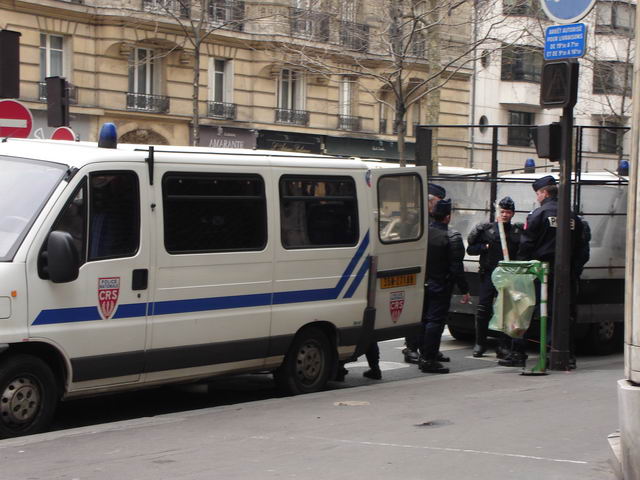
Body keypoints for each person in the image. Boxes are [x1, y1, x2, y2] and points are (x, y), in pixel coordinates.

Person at [503, 175, 587, 368]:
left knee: (524, 310)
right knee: (560, 313)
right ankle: (562, 353)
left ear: (544, 193)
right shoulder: (573, 216)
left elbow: (527, 244)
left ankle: (518, 352)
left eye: (538, 194)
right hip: (564, 274)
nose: (537, 198)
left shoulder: (538, 214)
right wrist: (573, 270)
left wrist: (521, 271)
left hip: (538, 271)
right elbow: (582, 248)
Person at [466, 196, 523, 358]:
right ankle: (480, 343)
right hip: (489, 274)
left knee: (506, 310)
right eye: (502, 211)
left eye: (508, 212)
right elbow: (471, 250)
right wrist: (485, 247)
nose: (505, 215)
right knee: (483, 308)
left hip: (508, 276)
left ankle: (503, 345)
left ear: (513, 214)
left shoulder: (516, 232)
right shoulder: (487, 231)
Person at [419, 199, 471, 373]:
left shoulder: (422, 233)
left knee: (425, 320)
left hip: (423, 283)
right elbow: (456, 268)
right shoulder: (452, 237)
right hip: (441, 285)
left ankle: (425, 353)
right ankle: (428, 359)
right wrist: (464, 289)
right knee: (435, 321)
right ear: (448, 217)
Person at [403, 182, 447, 364]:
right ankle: (411, 347)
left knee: (429, 314)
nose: (438, 205)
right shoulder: (414, 217)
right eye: (437, 201)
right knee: (418, 312)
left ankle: (428, 349)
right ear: (430, 201)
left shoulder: (432, 218)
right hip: (417, 270)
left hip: (430, 270)